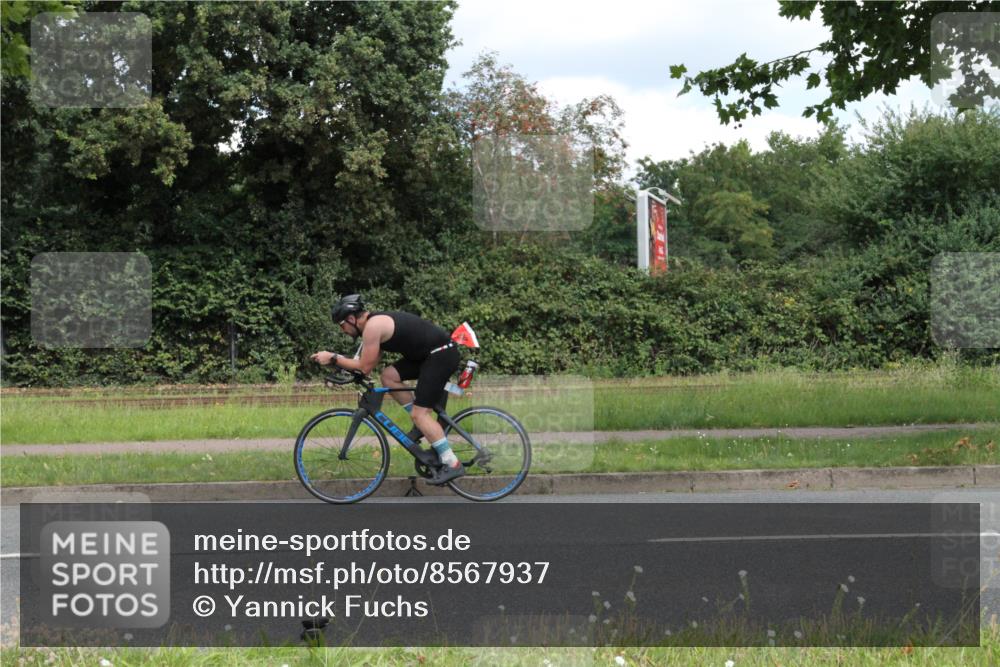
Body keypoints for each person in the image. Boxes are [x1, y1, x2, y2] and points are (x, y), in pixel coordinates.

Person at [310, 294, 465, 485]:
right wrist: (341, 366)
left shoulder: (373, 327)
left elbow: (364, 366)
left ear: (351, 319)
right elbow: (368, 365)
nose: (343, 330)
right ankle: (421, 426)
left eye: (342, 325)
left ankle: (452, 463)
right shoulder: (373, 326)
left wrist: (333, 358)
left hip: (440, 355)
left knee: (420, 414)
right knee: (388, 377)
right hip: (428, 355)